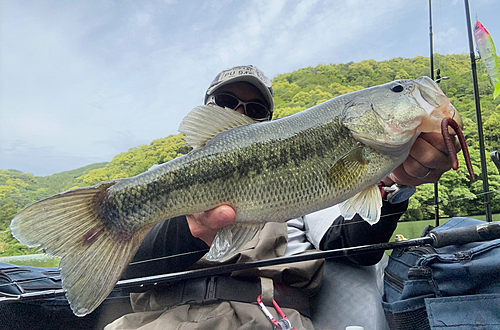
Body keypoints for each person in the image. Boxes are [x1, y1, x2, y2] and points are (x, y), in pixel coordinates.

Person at [106, 65, 460, 330]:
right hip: (158, 319)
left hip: (266, 319)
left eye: (256, 110)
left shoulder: (312, 173)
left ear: (271, 122)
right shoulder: (160, 176)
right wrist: (194, 227)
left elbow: (355, 246)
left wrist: (396, 183)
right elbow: (130, 269)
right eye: (227, 102)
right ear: (208, 109)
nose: (240, 113)